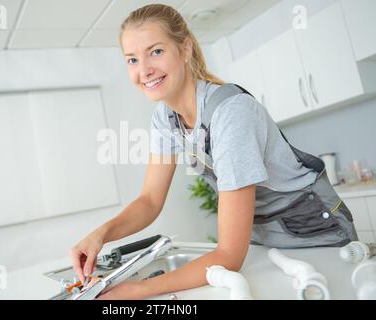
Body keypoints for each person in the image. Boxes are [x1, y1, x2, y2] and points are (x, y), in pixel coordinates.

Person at [69, 4, 358, 300]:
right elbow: (150, 200)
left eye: (156, 51)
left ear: (184, 50)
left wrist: (139, 290)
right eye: (132, 59)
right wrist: (100, 235)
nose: (144, 70)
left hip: (316, 239)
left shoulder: (231, 113)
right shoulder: (164, 118)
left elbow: (230, 255)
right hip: (265, 244)